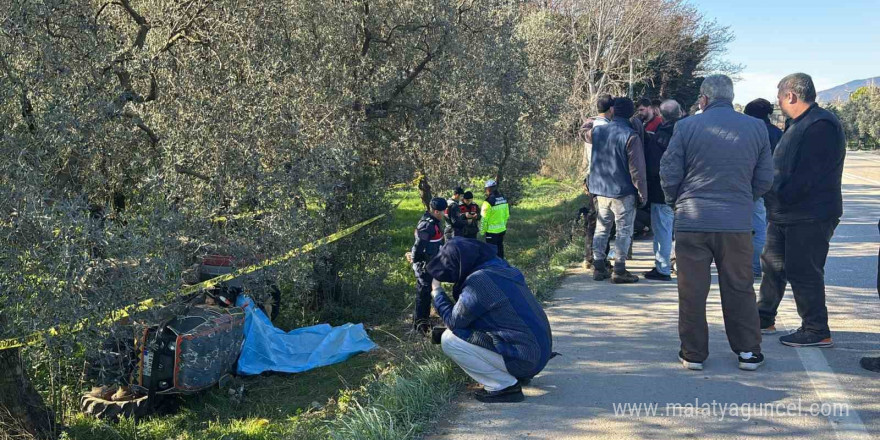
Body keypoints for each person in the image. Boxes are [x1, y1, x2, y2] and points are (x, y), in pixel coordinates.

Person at [660, 74, 773, 371]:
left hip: (692, 221)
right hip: (735, 223)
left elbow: (670, 171)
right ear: (731, 96)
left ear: (704, 99)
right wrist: (744, 199)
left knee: (692, 289)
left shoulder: (685, 127)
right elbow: (764, 178)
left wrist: (677, 201)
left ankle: (693, 353)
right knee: (739, 286)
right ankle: (748, 351)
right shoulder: (756, 127)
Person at [758, 73, 846, 348]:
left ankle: (816, 328)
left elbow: (808, 175)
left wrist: (778, 195)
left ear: (791, 96)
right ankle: (763, 316)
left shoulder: (821, 125)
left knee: (803, 270)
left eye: (779, 96)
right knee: (772, 265)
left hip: (810, 214)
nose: (778, 102)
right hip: (785, 213)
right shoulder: (798, 123)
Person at [427, 237, 552, 403]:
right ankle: (515, 373)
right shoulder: (500, 267)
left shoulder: (479, 282)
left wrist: (437, 291)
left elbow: (453, 321)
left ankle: (504, 386)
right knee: (465, 331)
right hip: (537, 352)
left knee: (449, 339)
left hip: (526, 359)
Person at [585, 97, 647, 283]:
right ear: (631, 113)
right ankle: (619, 270)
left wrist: (591, 119)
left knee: (602, 229)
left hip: (601, 189)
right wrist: (642, 193)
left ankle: (599, 267)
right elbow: (637, 170)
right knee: (623, 230)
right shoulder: (631, 136)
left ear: (612, 110)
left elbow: (583, 133)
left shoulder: (597, 132)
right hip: (623, 191)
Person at [643, 99, 683, 281]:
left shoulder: (660, 136)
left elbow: (652, 166)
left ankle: (663, 267)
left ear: (661, 114)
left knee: (663, 230)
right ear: (680, 112)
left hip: (662, 191)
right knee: (680, 231)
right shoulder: (687, 132)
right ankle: (679, 264)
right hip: (685, 190)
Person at [744, 98, 784, 279]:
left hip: (754, 186)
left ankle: (754, 266)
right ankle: (765, 263)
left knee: (756, 228)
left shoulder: (750, 132)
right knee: (768, 228)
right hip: (775, 186)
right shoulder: (778, 133)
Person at [405, 197, 447, 334]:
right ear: (435, 211)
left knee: (428, 293)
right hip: (424, 266)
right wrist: (415, 259)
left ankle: (425, 320)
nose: (444, 214)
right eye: (442, 211)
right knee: (423, 295)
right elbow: (418, 248)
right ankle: (420, 326)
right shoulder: (426, 225)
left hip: (432, 264)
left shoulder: (435, 221)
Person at [579, 94, 615, 172]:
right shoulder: (607, 128)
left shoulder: (591, 126)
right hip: (604, 175)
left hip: (592, 173)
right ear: (611, 109)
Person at [481, 179, 510, 259]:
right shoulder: (504, 199)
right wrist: (503, 225)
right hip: (502, 230)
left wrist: (482, 231)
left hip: (491, 232)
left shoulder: (487, 202)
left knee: (491, 253)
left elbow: (484, 219)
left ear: (488, 189)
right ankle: (502, 267)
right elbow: (507, 215)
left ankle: (493, 269)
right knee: (500, 250)